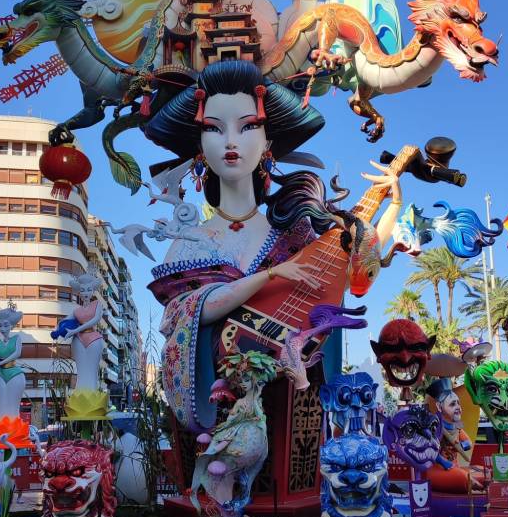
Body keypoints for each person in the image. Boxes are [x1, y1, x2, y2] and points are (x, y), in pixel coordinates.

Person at [144, 60, 401, 434]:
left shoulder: (295, 234)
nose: (230, 141)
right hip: (219, 410)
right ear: (199, 146)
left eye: (247, 126)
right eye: (214, 128)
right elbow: (179, 319)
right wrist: (269, 275)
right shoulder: (189, 244)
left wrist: (392, 205)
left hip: (292, 410)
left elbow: (353, 266)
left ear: (267, 142)